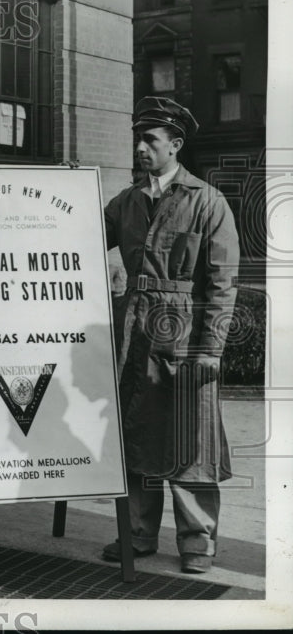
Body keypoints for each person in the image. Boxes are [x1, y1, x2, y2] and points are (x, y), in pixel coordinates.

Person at [102, 96, 240, 574]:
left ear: (175, 145)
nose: (140, 148)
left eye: (150, 140)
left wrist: (211, 350)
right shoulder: (126, 201)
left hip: (184, 338)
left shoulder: (206, 201)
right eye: (137, 139)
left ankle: (197, 543)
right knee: (135, 435)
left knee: (189, 443)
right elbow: (74, 237)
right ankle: (137, 535)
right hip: (133, 335)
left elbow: (222, 284)